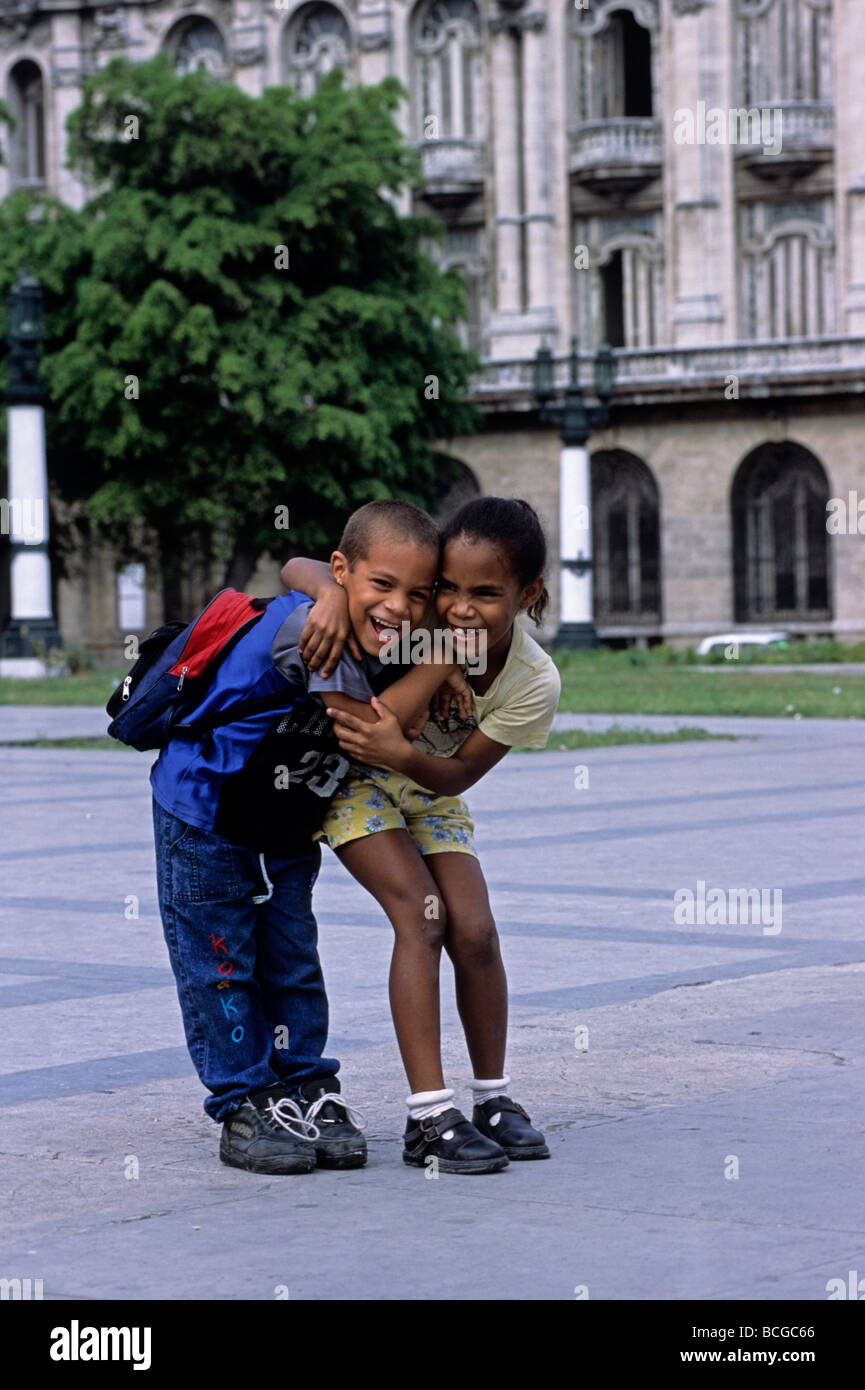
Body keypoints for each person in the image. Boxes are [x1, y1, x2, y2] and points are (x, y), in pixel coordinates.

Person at [151, 499, 461, 1175]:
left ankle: (306, 1084)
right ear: (347, 572)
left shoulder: (340, 604)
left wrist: (325, 586)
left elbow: (302, 564)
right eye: (382, 587)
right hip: (205, 811)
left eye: (418, 595)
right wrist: (440, 663)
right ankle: (245, 1101)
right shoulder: (313, 637)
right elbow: (371, 732)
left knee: (291, 956)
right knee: (222, 965)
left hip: (285, 817)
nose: (399, 608)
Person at [281, 496, 561, 1175]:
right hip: (351, 782)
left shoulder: (532, 680)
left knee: (476, 931)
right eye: (450, 590)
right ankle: (428, 1116)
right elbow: (301, 564)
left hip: (429, 784)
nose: (461, 608)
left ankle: (491, 1098)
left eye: (486, 594)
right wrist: (325, 595)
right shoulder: (423, 615)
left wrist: (417, 716)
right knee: (424, 915)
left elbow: (454, 773)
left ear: (528, 596)